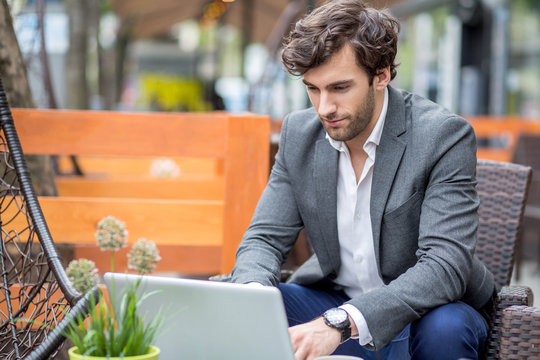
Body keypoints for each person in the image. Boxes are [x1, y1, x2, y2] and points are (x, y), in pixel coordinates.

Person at [230, 1, 496, 359]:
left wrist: (342, 323)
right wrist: (251, 296)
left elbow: (444, 265)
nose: (324, 108)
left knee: (446, 328)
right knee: (255, 301)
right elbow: (263, 238)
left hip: (422, 314)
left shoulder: (443, 136)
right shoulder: (299, 134)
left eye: (340, 88)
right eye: (313, 89)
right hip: (333, 300)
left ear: (382, 75)